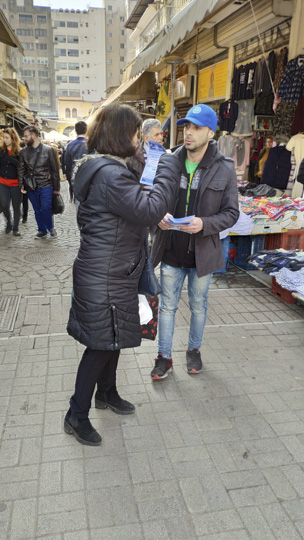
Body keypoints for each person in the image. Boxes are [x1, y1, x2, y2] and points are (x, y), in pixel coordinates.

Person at [65, 104, 181, 446]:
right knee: (99, 345)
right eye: (135, 133)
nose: (139, 140)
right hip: (104, 275)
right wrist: (168, 168)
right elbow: (148, 208)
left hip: (113, 270)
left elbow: (133, 207)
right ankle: (76, 414)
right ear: (121, 134)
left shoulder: (107, 168)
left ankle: (107, 394)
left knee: (113, 337)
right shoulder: (111, 174)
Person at [151, 104, 239, 379]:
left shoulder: (224, 168)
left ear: (211, 133)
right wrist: (157, 217)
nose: (188, 132)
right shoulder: (168, 161)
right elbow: (153, 200)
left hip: (203, 253)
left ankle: (194, 351)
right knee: (167, 306)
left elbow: (232, 213)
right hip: (170, 250)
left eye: (196, 128)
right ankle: (164, 357)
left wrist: (205, 224)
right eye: (187, 126)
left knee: (199, 306)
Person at [19, 126, 60, 239]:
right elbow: (21, 169)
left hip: (46, 184)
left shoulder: (49, 150)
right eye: (24, 136)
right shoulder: (23, 152)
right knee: (37, 210)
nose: (25, 138)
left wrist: (56, 188)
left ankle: (50, 227)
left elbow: (54, 170)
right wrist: (21, 185)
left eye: (26, 136)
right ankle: (42, 230)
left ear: (34, 135)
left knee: (46, 208)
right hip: (31, 185)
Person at [0, 127, 21, 236]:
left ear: (13, 139)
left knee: (17, 207)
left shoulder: (18, 151)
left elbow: (21, 166)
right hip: (3, 183)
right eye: (4, 137)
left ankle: (16, 228)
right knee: (4, 205)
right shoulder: (1, 150)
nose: (5, 140)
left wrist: (10, 159)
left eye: (7, 138)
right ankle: (9, 222)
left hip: (15, 184)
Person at [63, 120, 88, 202]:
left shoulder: (70, 145)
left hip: (75, 174)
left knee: (78, 199)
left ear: (76, 131)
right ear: (86, 130)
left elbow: (67, 162)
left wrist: (68, 175)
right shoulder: (91, 143)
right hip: (89, 173)